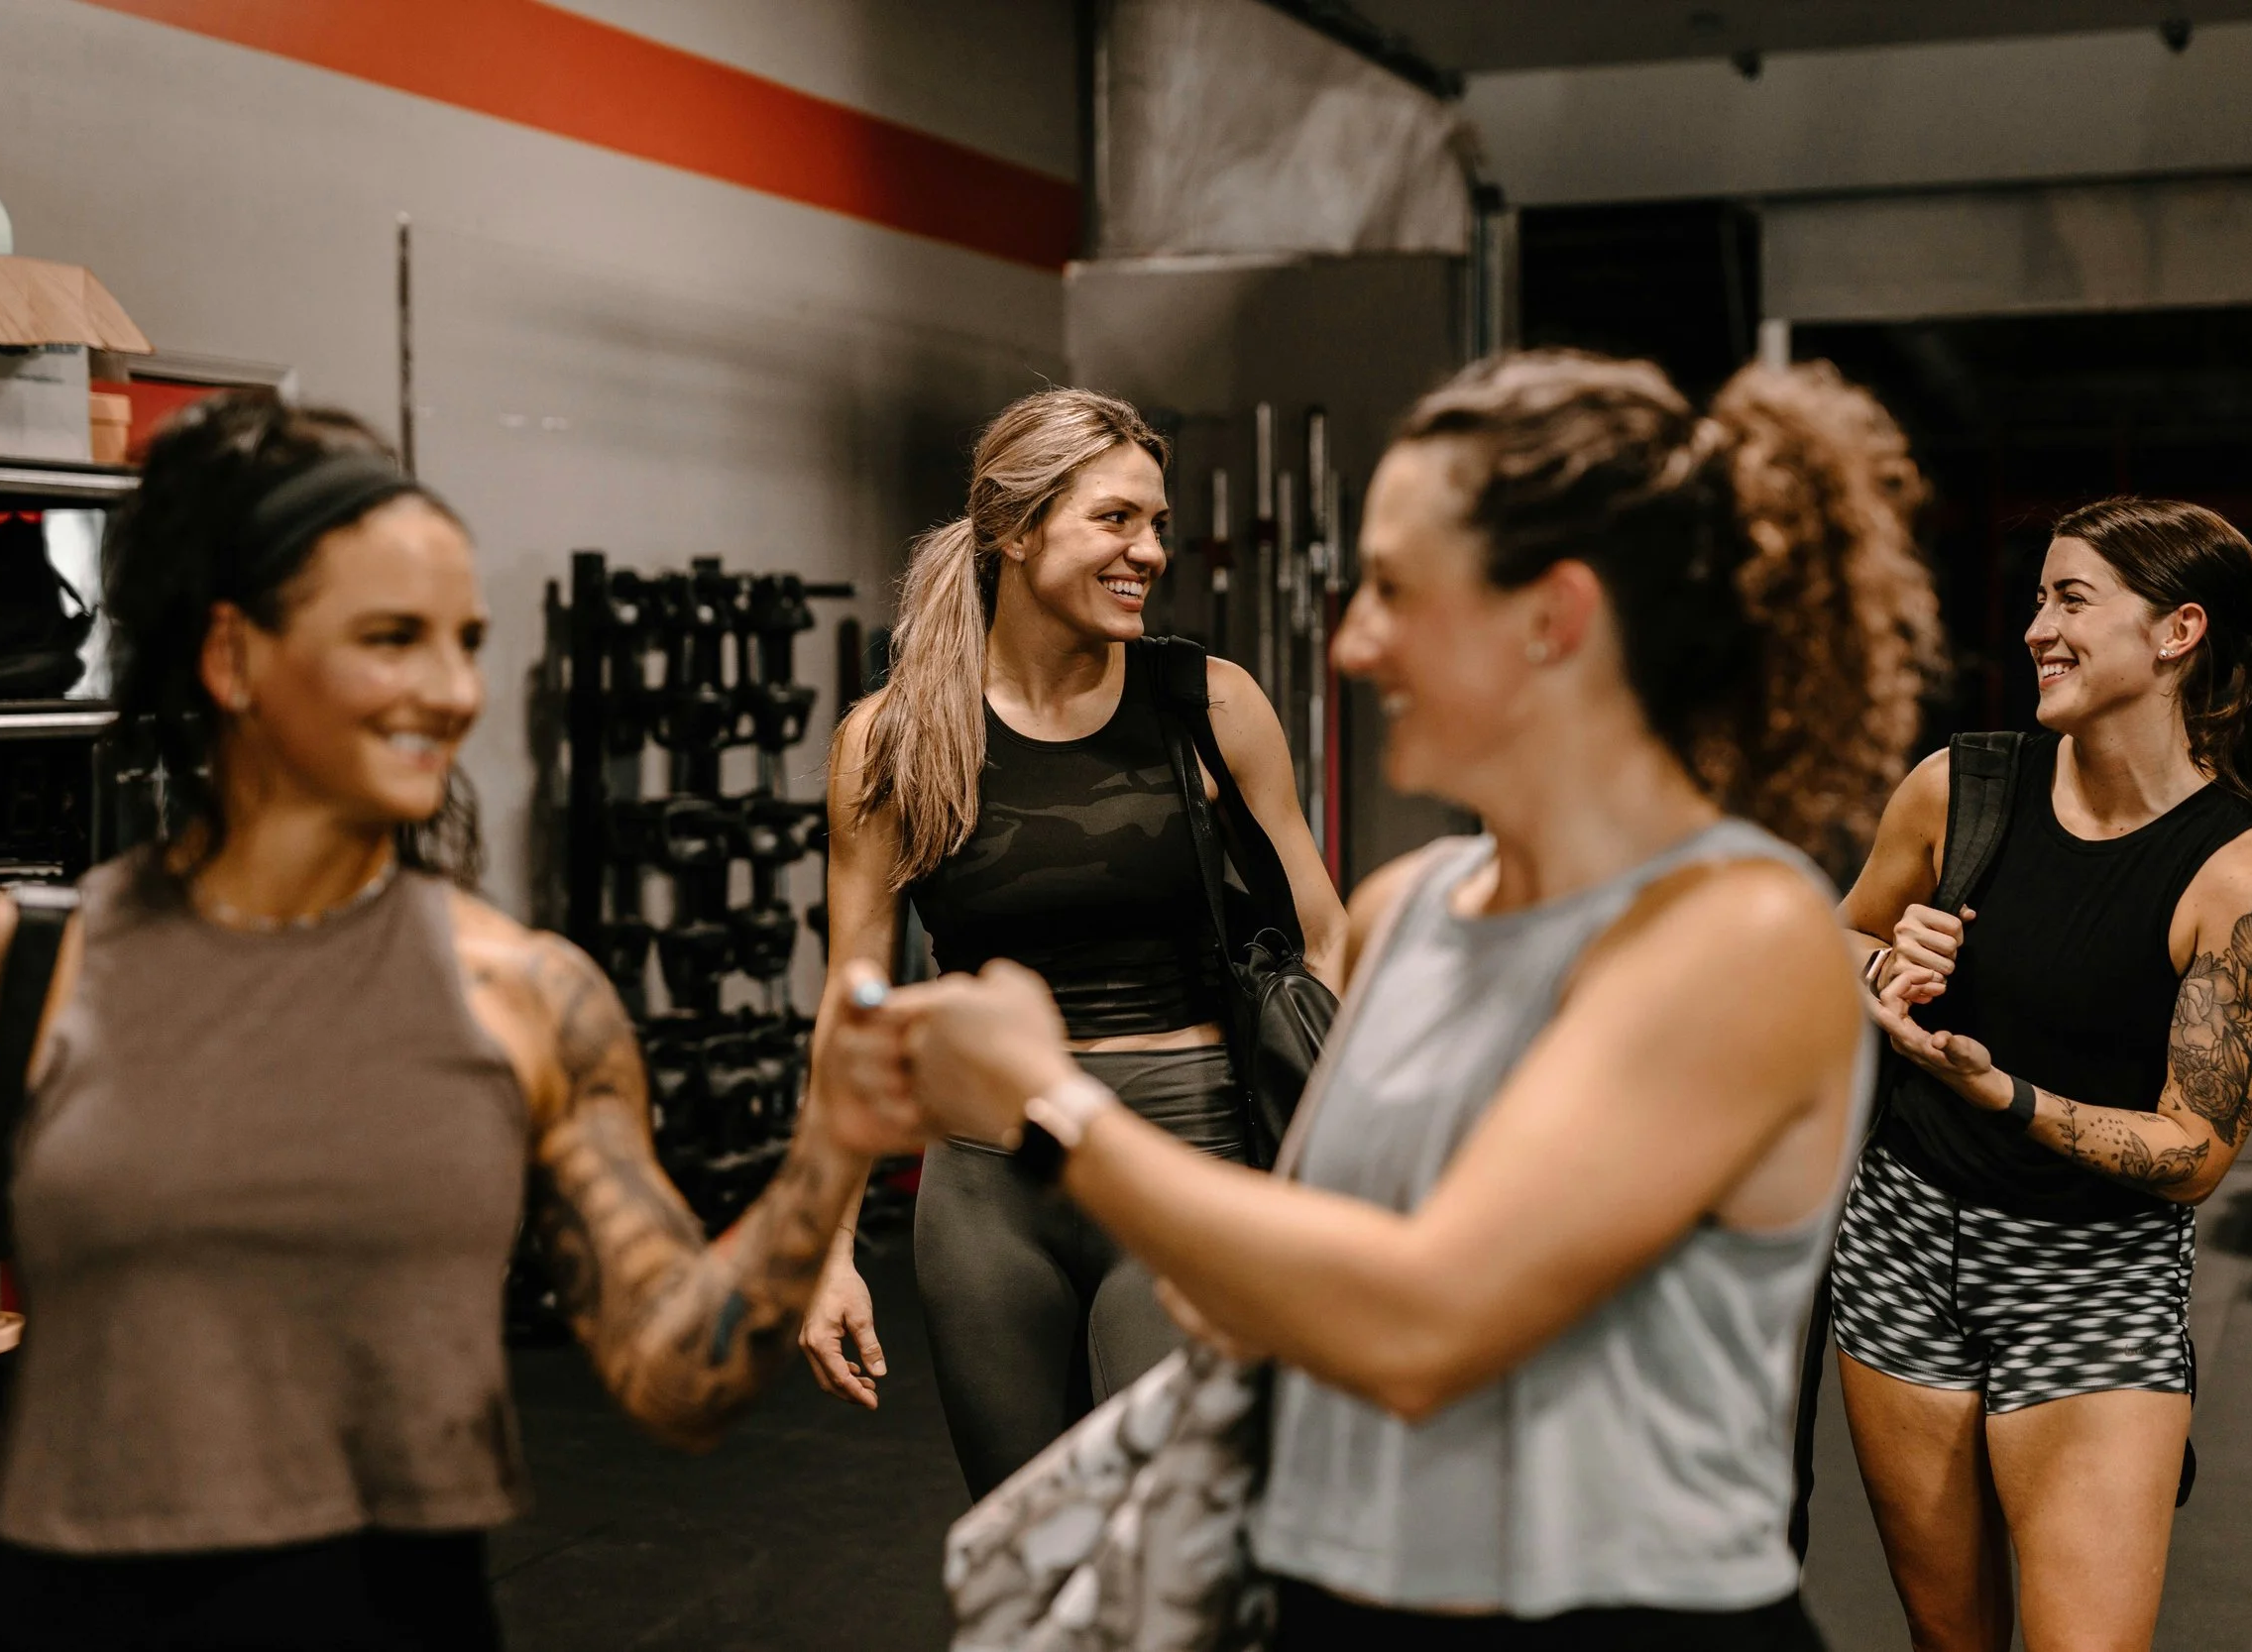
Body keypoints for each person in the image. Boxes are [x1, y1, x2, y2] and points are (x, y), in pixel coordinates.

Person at [830, 349, 1943, 1648]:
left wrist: (1048, 1105)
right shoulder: (1416, 902)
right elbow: (1261, 1281)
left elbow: (1424, 1317)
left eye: (1397, 591)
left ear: (1555, 617)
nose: (1354, 641)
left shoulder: (1737, 930)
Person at [0, 391, 924, 1650]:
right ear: (233, 657)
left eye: (465, 640)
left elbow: (677, 1376)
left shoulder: (524, 996)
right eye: (392, 637)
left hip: (387, 1614)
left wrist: (830, 1155)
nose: (451, 690)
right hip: (65, 1612)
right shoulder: (19, 968)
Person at [796, 387, 1346, 1496]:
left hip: (1182, 1157)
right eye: (1115, 520)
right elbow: (850, 1009)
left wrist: (1310, 1170)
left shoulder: (1208, 703)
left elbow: (1325, 939)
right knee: (1025, 1546)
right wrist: (827, 1243)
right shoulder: (894, 739)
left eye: (1154, 526)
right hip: (986, 1190)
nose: (1147, 550)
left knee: (1158, 1542)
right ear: (1014, 527)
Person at [1832, 496, 2252, 1652]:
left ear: (2176, 630)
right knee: (1948, 1637)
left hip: (2093, 1280)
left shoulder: (2241, 882)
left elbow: (2191, 1154)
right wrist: (1883, 965)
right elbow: (1837, 935)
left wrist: (2000, 1090)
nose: (2034, 629)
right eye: (2037, 597)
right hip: (1901, 1248)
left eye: (2070, 599)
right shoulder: (1963, 788)